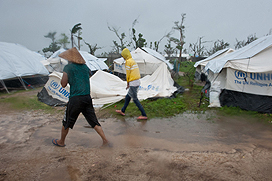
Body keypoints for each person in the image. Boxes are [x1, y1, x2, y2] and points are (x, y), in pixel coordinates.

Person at [52, 47, 110, 147]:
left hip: (75, 99)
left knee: (67, 121)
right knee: (93, 121)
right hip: (87, 98)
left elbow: (63, 84)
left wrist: (65, 75)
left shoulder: (68, 68)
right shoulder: (85, 68)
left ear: (69, 59)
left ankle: (61, 141)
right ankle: (105, 140)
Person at [115, 48, 148, 120]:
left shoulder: (128, 62)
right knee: (128, 97)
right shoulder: (132, 60)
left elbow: (128, 74)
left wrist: (128, 83)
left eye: (123, 56)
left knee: (135, 99)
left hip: (133, 83)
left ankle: (144, 114)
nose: (123, 57)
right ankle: (122, 110)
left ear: (125, 55)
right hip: (136, 81)